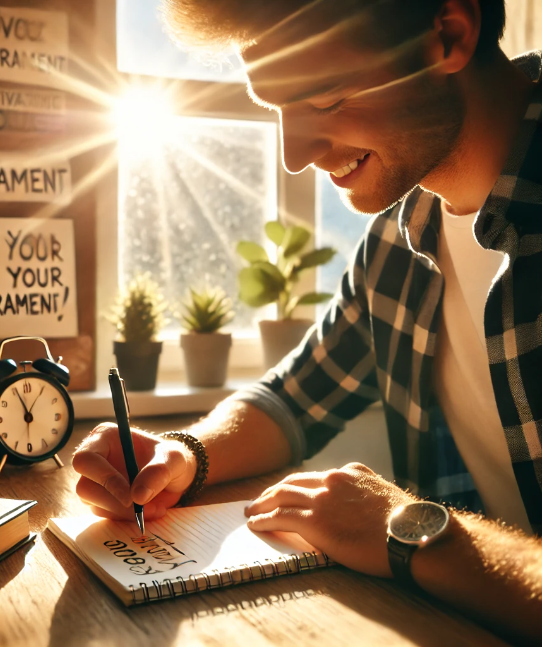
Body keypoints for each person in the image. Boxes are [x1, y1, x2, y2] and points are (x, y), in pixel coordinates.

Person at [74, 0, 542, 642]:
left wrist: (407, 531)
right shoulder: (396, 246)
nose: (294, 156)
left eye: (323, 99)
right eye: (276, 110)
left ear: (448, 36)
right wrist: (186, 455)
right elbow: (292, 400)